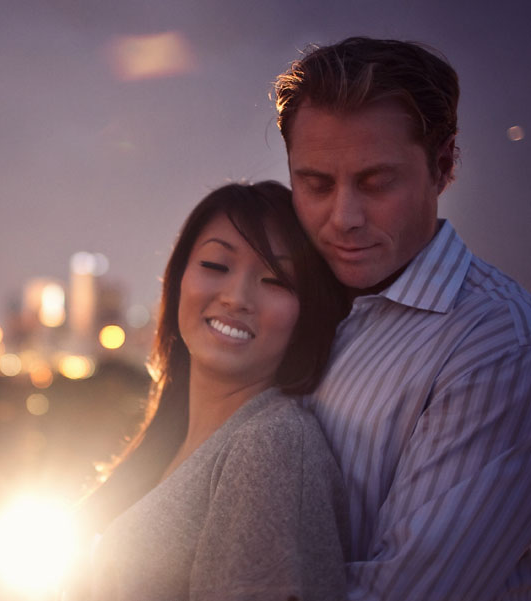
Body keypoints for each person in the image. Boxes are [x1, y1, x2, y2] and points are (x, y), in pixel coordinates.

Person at [274, 37, 531, 600]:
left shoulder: (497, 345)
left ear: (443, 165)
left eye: (376, 182)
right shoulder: (288, 301)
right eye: (315, 183)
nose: (343, 218)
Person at [77, 181, 350, 600]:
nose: (236, 297)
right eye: (216, 266)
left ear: (307, 309)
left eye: (275, 279)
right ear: (178, 279)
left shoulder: (271, 447)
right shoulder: (171, 437)